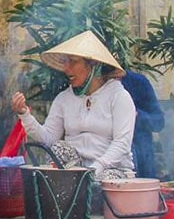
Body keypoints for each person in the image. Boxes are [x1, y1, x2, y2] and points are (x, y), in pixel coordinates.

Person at [10, 30, 137, 180]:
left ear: (93, 65)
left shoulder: (119, 96)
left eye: (73, 62)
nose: (67, 69)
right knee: (58, 148)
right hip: (75, 170)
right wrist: (24, 114)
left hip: (111, 170)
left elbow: (122, 144)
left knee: (102, 179)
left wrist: (96, 168)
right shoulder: (64, 98)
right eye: (65, 62)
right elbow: (49, 139)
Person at [120, 70, 165, 179]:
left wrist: (136, 115)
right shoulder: (86, 86)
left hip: (141, 159)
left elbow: (158, 122)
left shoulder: (137, 82)